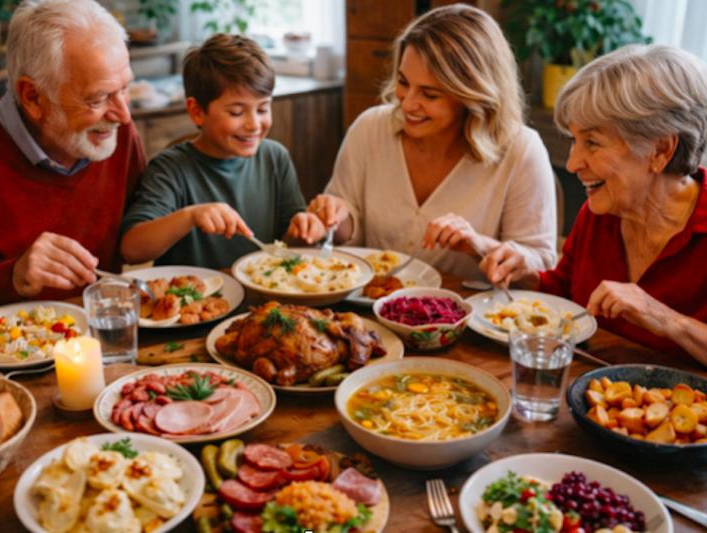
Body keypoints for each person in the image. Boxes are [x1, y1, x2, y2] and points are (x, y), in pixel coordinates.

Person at [0, 0, 146, 331]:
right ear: (33, 97)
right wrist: (11, 278)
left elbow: (138, 236)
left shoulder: (115, 134)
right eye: (97, 98)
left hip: (99, 343)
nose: (124, 114)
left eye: (125, 88)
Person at [289, 4, 557, 279]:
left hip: (468, 314)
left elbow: (542, 267)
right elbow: (345, 227)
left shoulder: (521, 150)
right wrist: (333, 220)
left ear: (473, 96)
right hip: (367, 310)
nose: (407, 104)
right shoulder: (370, 128)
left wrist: (480, 246)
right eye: (403, 82)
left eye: (429, 94)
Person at [481, 45, 707, 364]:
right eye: (574, 141)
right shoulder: (600, 210)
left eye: (593, 143)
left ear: (661, 150)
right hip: (594, 397)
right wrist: (522, 272)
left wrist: (666, 319)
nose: (573, 164)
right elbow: (563, 296)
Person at [120, 34, 310, 269]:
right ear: (197, 111)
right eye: (237, 113)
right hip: (193, 301)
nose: (254, 124)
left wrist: (304, 228)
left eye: (262, 109)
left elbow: (287, 246)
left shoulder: (275, 158)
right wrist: (190, 216)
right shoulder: (169, 169)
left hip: (261, 300)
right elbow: (132, 249)